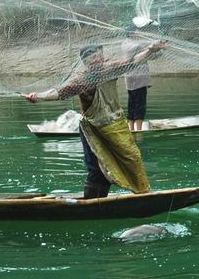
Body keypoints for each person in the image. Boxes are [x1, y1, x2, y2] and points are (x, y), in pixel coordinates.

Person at [24, 40, 167, 199]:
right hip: (93, 129)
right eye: (93, 57)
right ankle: (91, 203)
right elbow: (59, 92)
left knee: (133, 158)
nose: (98, 59)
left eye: (100, 55)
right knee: (97, 169)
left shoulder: (110, 69)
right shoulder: (82, 80)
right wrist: (38, 97)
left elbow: (132, 62)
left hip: (115, 125)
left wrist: (150, 50)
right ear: (85, 62)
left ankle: (142, 194)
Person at [121, 20, 155, 131]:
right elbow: (150, 54)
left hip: (130, 79)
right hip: (139, 78)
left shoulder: (124, 43)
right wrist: (158, 47)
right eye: (136, 31)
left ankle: (131, 128)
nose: (138, 33)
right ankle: (139, 130)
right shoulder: (137, 44)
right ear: (132, 33)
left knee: (132, 103)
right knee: (140, 104)